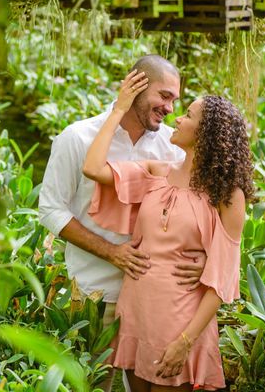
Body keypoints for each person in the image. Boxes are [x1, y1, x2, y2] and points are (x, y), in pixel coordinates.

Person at [39, 55, 206, 392]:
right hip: (92, 295)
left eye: (175, 100)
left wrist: (204, 259)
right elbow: (51, 209)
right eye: (164, 96)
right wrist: (111, 252)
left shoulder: (172, 147)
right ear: (135, 85)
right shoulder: (78, 138)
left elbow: (201, 212)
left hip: (155, 300)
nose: (170, 108)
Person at [82, 69, 254, 391]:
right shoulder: (156, 172)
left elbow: (222, 279)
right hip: (136, 313)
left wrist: (186, 342)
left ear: (206, 133)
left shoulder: (229, 196)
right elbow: (92, 167)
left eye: (187, 115)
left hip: (180, 324)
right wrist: (119, 108)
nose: (177, 119)